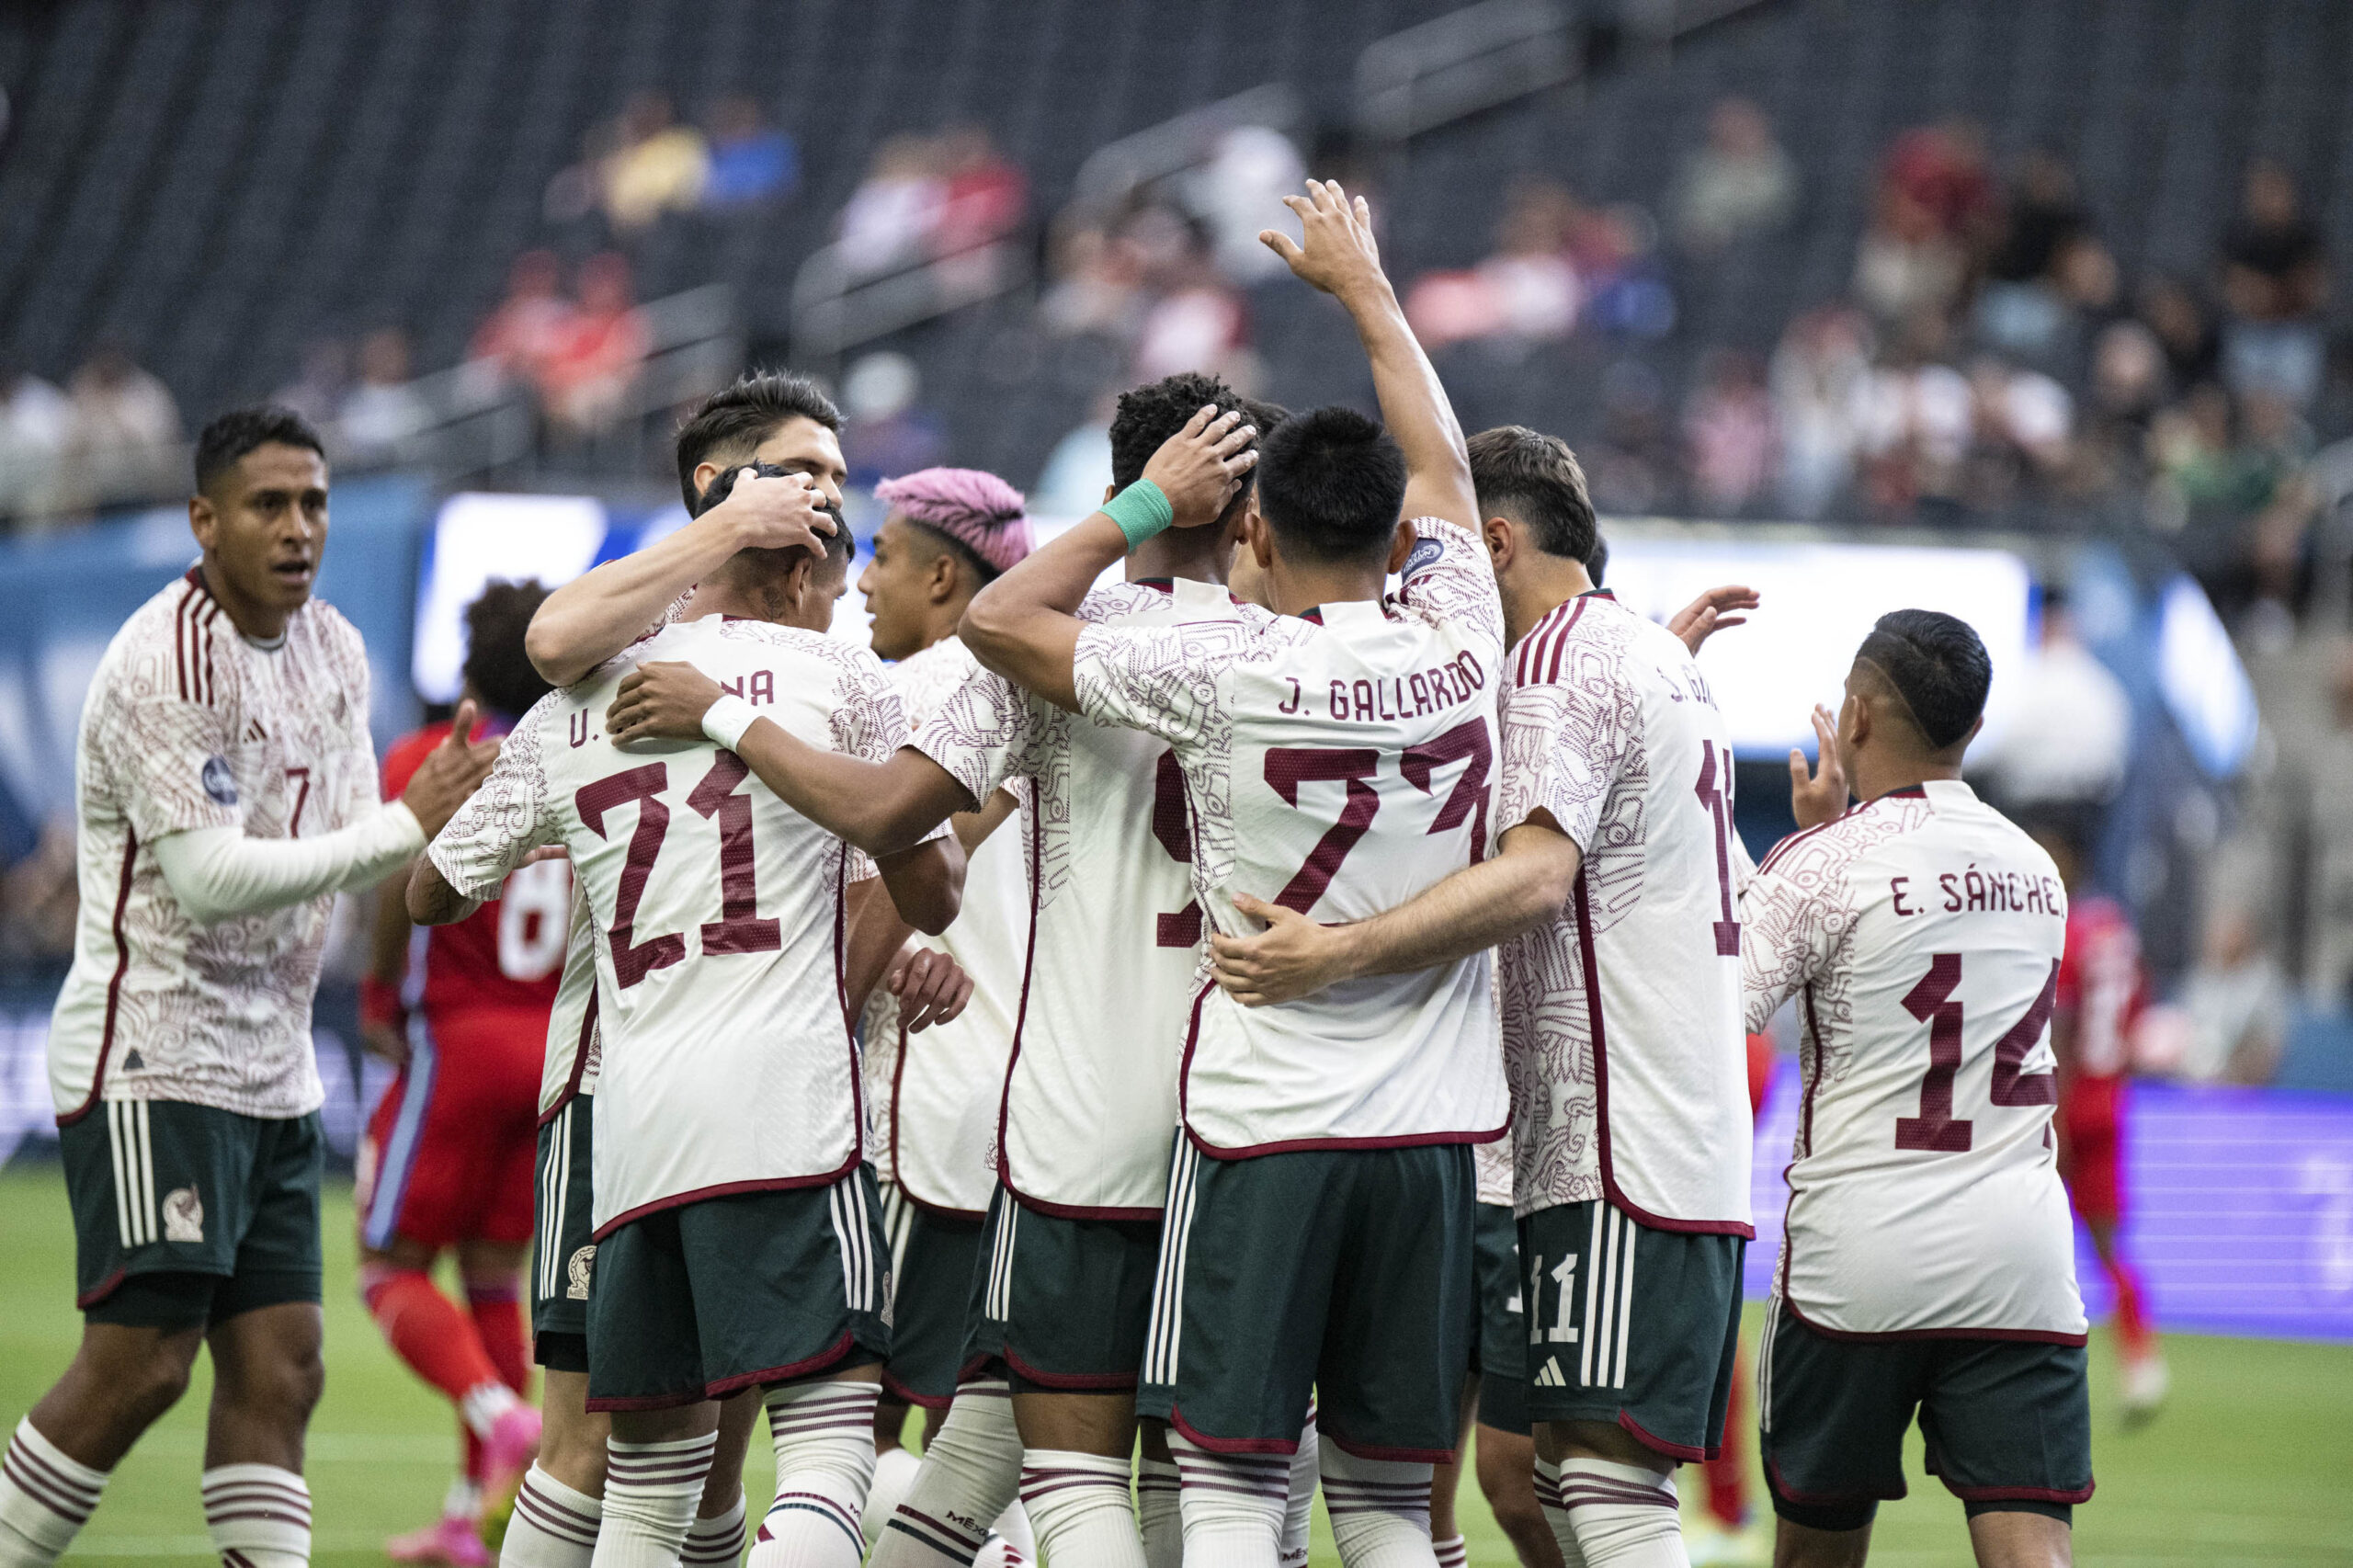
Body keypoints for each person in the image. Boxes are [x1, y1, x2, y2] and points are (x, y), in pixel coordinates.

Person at [593, 371, 1309, 1568]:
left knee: (1069, 1480)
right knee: (1220, 1486)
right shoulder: (1319, 663)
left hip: (1078, 1131)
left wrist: (724, 712)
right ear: (1251, 514)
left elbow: (884, 812)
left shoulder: (1035, 651)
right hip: (1266, 1121)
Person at [961, 179, 1505, 1568]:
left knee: (1217, 1492)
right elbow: (1442, 466)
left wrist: (1146, 502)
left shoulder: (1213, 661)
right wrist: (1369, 289)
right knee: (1386, 1507)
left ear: (1257, 531)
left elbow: (998, 618)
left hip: (1256, 1125)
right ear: (1404, 545)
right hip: (1436, 1136)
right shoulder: (1459, 631)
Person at [1207, 424, 1761, 1568]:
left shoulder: (1565, 663)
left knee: (1598, 1487)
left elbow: (1536, 874)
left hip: (1614, 1139)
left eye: (1445, 555)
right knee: (1524, 1474)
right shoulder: (1644, 663)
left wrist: (1337, 950)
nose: (1427, 584)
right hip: (1609, 1138)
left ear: (1496, 543)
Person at [409, 450, 968, 1568]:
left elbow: (431, 890)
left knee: (646, 1481)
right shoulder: (840, 683)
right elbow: (935, 887)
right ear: (802, 572)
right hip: (787, 1104)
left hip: (632, 1124)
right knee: (824, 1443)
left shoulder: (579, 700)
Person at [0, 406, 496, 1568]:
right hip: (155, 1056)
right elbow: (213, 878)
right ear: (203, 520)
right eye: (267, 504)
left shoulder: (336, 648)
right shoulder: (161, 658)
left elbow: (351, 846)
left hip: (273, 1073)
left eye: (314, 502)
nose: (297, 527)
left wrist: (450, 843)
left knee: (285, 1367)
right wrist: (405, 829)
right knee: (142, 1364)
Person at [1741, 611, 2093, 1568]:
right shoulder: (2038, 873)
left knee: (1817, 1551)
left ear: (1852, 716)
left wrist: (1808, 848)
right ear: (1970, 730)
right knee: (2030, 1552)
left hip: (1860, 1258)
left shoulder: (1820, 864)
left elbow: (1712, 1009)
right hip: (2016, 1251)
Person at [845, 468, 1039, 1563]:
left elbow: (884, 880)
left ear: (940, 573)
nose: (862, 581)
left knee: (854, 1423)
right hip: (1023, 1110)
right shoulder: (1051, 683)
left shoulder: (927, 694)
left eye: (879, 555)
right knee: (975, 1419)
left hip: (923, 1106)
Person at [356, 582, 562, 1566]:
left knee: (387, 1266)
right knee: (492, 1276)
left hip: (458, 1040)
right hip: (547, 1051)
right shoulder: (577, 759)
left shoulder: (429, 761)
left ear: (470, 668)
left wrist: (375, 994)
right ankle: (468, 1517)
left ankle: (497, 1414)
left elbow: (394, 886)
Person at [2034, 822, 2167, 1423]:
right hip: (2112, 1100)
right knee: (2108, 1241)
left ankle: (2030, 1364)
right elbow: (2138, 1012)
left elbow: (2060, 1024)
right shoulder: (2116, 929)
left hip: (2067, 1102)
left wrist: (2053, 1113)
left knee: (2030, 1232)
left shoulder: (2064, 932)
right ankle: (2142, 1367)